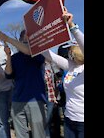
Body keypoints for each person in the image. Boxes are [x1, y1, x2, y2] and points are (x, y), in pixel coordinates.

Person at [40, 8, 84, 138]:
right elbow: (50, 56)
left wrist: (72, 27)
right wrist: (38, 40)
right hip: (70, 119)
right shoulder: (71, 66)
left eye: (72, 49)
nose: (70, 52)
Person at [0, 29, 47, 138]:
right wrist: (8, 56)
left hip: (35, 99)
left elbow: (28, 51)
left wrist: (8, 39)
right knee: (20, 134)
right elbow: (8, 74)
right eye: (23, 38)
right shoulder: (15, 57)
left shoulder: (38, 53)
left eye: (28, 38)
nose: (25, 40)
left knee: (38, 134)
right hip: (17, 99)